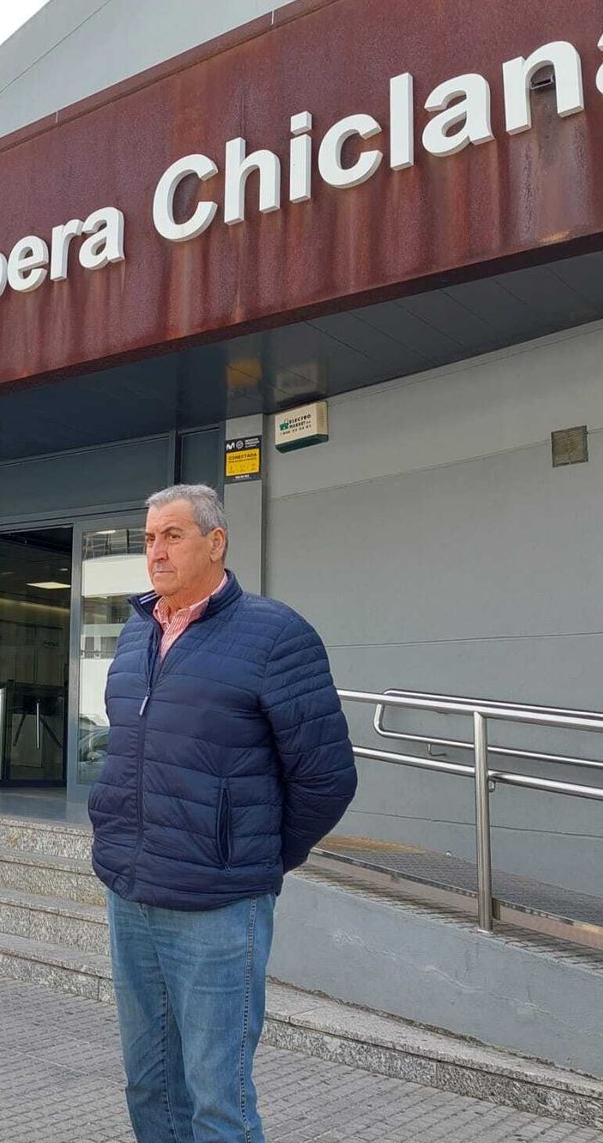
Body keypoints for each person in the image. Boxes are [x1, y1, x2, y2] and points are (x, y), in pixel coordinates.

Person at [88, 484, 357, 1143]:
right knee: (149, 1085)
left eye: (173, 535)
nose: (156, 551)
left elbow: (326, 779)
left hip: (217, 907)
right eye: (149, 539)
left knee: (217, 1102)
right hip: (132, 892)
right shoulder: (138, 629)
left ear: (216, 542)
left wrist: (250, 854)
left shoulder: (275, 634)